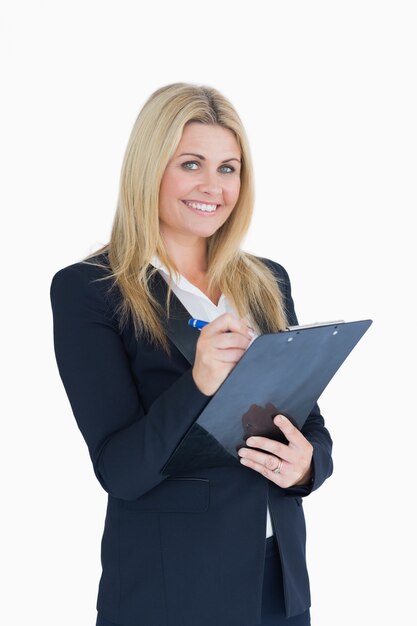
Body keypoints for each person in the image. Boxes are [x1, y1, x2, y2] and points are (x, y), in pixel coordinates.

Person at [50, 82, 333, 626]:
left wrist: (307, 467)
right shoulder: (91, 290)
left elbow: (307, 422)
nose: (213, 186)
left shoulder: (266, 281)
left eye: (229, 168)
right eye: (191, 164)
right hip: (171, 592)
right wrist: (199, 383)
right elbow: (121, 470)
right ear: (149, 169)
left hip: (277, 585)